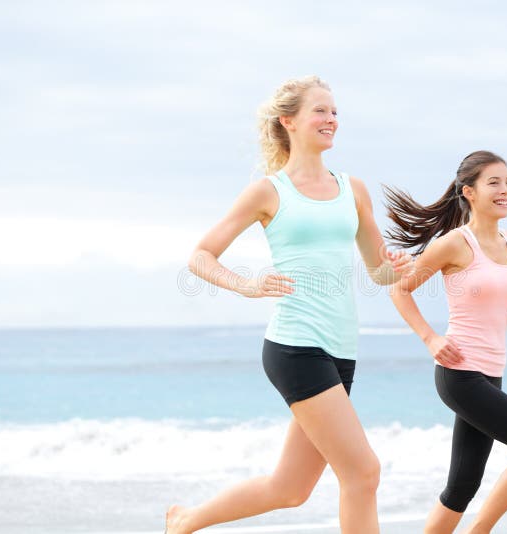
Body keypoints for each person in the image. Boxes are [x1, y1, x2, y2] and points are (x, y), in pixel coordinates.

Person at [165, 75, 411, 534]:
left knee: (291, 489)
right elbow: (201, 257)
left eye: (335, 111)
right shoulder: (269, 191)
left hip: (341, 350)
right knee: (363, 473)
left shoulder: (353, 189)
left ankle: (184, 521)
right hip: (296, 346)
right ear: (289, 121)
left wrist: (400, 263)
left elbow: (380, 272)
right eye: (320, 110)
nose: (331, 119)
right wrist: (247, 286)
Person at [385, 150, 507, 534]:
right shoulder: (454, 244)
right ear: (470, 192)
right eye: (494, 182)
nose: (505, 190)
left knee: (462, 486)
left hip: (491, 374)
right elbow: (400, 289)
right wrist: (430, 338)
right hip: (459, 374)